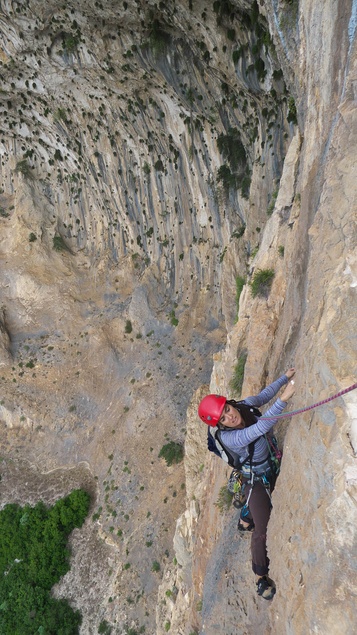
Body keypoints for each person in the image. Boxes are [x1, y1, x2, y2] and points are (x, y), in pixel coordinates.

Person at [198, 368, 296, 600]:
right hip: (257, 479)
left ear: (231, 403)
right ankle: (260, 578)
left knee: (255, 509)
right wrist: (284, 398)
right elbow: (259, 428)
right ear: (220, 426)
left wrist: (285, 377)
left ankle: (244, 518)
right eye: (223, 418)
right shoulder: (231, 437)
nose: (230, 416)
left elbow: (263, 396)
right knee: (263, 528)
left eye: (227, 409)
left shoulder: (244, 406)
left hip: (269, 464)